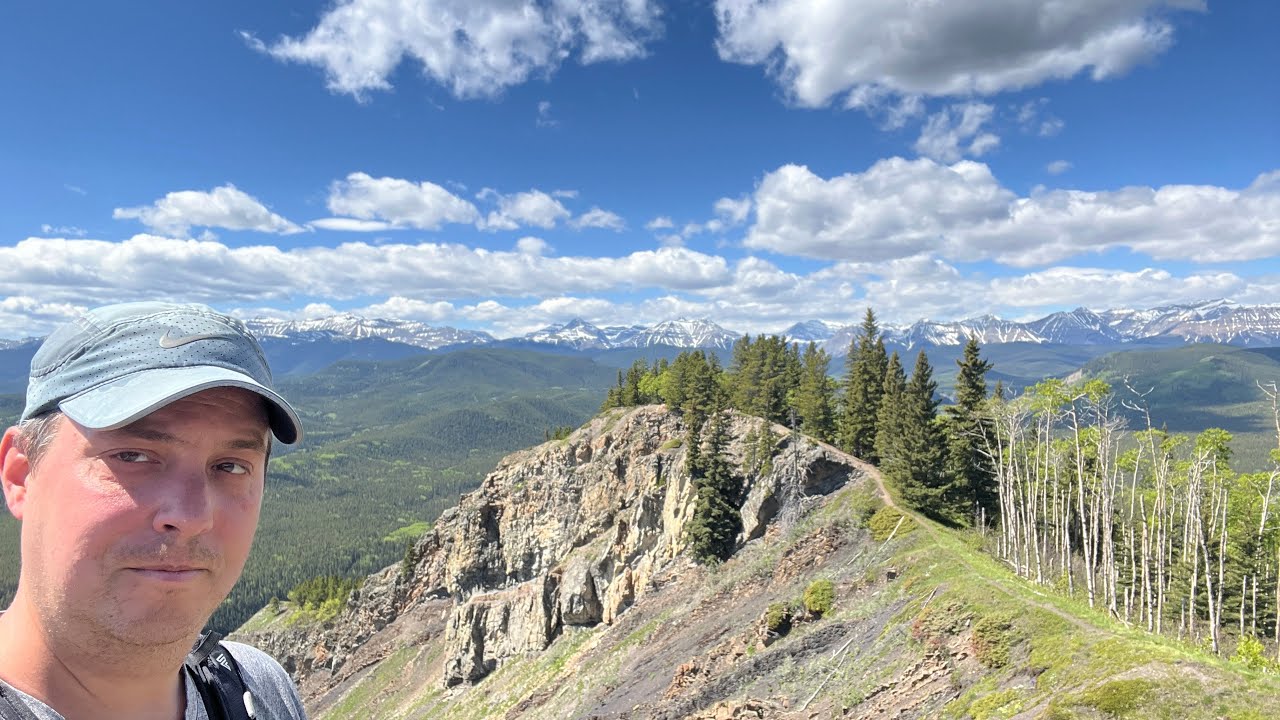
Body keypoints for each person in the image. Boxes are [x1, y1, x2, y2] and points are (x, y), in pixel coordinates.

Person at [0, 302, 308, 719]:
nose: (191, 515)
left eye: (231, 466)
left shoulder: (258, 690)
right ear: (21, 475)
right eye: (133, 455)